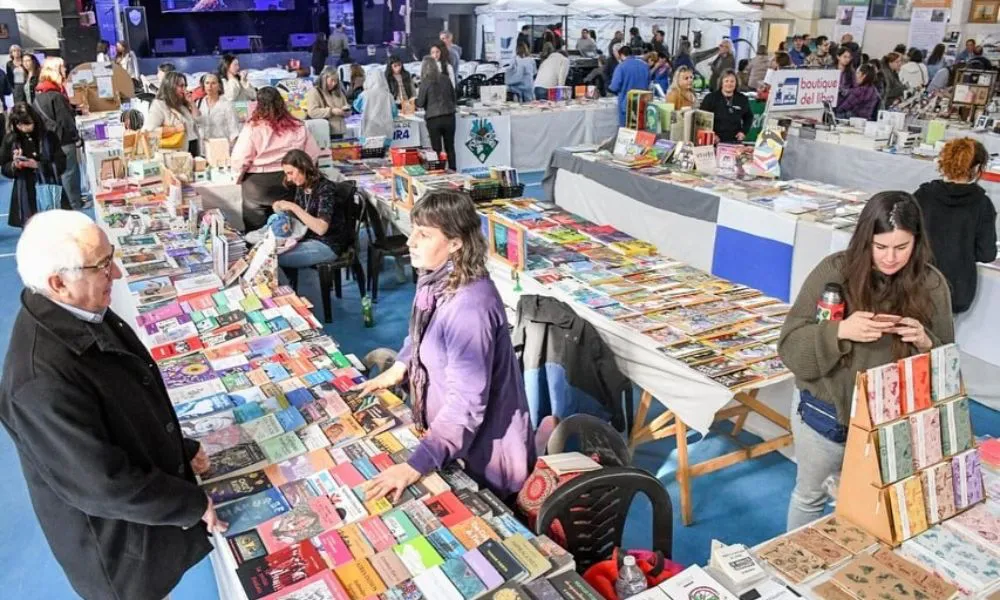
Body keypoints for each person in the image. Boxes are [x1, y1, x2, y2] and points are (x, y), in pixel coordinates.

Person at [0, 210, 226, 600]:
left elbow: (126, 402)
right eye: (103, 266)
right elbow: (103, 485)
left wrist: (180, 450)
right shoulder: (40, 380)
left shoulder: (75, 311)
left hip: (136, 529)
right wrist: (190, 503)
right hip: (118, 555)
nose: (117, 274)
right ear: (58, 283)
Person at [778, 191, 954, 530]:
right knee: (810, 496)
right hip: (826, 415)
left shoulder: (932, 284)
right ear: (864, 239)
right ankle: (794, 582)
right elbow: (789, 347)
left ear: (917, 243)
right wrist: (839, 331)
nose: (890, 258)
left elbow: (946, 366)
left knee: (875, 505)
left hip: (891, 423)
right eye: (880, 247)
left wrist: (925, 341)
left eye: (901, 248)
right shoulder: (834, 272)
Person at [355, 191, 534, 501]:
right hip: (451, 438)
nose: (410, 241)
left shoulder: (469, 308)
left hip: (484, 456)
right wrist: (398, 368)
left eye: (423, 235)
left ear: (455, 243)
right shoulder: (437, 279)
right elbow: (420, 333)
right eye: (413, 230)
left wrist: (415, 465)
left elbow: (466, 406)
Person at [914, 138, 997, 314]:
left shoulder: (923, 195)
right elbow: (987, 253)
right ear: (977, 169)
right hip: (956, 288)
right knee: (942, 336)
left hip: (917, 281)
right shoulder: (982, 204)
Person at [231, 86, 321, 232]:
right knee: (289, 229)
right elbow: (312, 155)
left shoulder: (252, 127)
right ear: (281, 103)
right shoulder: (298, 126)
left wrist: (238, 178)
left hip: (257, 185)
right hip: (289, 181)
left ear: (258, 105)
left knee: (256, 232)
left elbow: (240, 160)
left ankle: (259, 253)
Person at [274, 149, 365, 290]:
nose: (289, 179)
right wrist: (282, 208)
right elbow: (301, 219)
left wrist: (293, 207)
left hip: (329, 244)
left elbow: (321, 228)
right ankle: (290, 294)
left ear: (303, 167)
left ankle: (289, 298)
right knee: (270, 252)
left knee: (273, 259)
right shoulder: (302, 187)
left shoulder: (325, 189)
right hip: (309, 239)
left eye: (290, 173)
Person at [0, 103, 67, 226]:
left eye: (27, 123)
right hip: (26, 192)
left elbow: (61, 163)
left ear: (34, 119)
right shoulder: (11, 140)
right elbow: (4, 168)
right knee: (31, 230)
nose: (24, 128)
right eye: (19, 125)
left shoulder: (48, 137)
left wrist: (38, 165)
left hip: (50, 188)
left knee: (56, 228)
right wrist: (15, 165)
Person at [34, 57, 83, 210]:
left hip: (50, 140)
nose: (65, 71)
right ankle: (75, 203)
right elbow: (66, 121)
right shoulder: (56, 95)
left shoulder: (39, 94)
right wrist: (76, 137)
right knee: (70, 172)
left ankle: (68, 203)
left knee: (61, 173)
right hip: (64, 140)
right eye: (62, 69)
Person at [145, 71, 201, 156]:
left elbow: (199, 120)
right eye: (181, 86)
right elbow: (150, 131)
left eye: (185, 86)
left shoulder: (182, 104)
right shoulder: (159, 104)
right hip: (174, 155)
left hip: (192, 149)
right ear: (170, 86)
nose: (184, 89)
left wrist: (192, 103)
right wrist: (174, 129)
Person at [417, 56, 457, 170]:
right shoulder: (446, 78)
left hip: (433, 118)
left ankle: (439, 171)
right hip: (449, 116)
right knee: (450, 147)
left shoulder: (425, 82)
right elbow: (454, 98)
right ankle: (454, 170)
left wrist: (413, 101)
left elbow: (420, 103)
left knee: (436, 149)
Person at [700, 69, 752, 143]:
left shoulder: (742, 99)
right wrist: (711, 134)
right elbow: (701, 118)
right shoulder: (710, 98)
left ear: (736, 83)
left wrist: (743, 132)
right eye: (726, 81)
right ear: (721, 82)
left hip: (734, 141)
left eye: (732, 81)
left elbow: (749, 117)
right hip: (714, 141)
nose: (729, 84)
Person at [608, 45, 651, 122]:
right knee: (640, 128)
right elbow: (648, 83)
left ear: (621, 55)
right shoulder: (644, 65)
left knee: (626, 131)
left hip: (627, 104)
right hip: (643, 103)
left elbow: (614, 86)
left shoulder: (621, 67)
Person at [354, 72, 398, 147]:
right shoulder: (389, 96)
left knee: (367, 154)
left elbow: (356, 106)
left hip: (368, 129)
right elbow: (394, 113)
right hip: (385, 131)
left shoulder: (364, 94)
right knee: (384, 154)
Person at [195, 73, 240, 146]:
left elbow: (234, 130)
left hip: (221, 147)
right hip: (202, 147)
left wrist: (230, 148)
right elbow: (196, 124)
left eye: (213, 83)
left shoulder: (227, 105)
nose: (210, 86)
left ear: (219, 86)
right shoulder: (199, 103)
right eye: (207, 83)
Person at [306, 67, 349, 139]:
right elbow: (312, 112)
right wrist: (331, 111)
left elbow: (345, 105)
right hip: (324, 132)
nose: (334, 83)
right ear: (324, 78)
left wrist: (347, 111)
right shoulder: (314, 92)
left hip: (339, 132)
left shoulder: (339, 92)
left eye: (336, 81)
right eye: (332, 80)